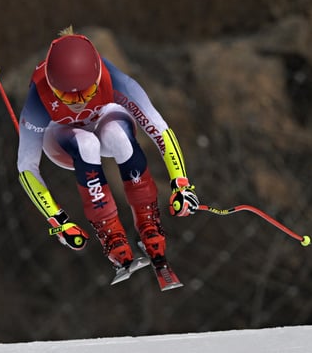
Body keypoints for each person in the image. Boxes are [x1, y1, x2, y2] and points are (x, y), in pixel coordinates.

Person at [17, 26, 199, 271]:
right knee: (86, 144)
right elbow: (26, 166)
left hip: (104, 119)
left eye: (87, 92)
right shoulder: (39, 98)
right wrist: (59, 220)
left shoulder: (114, 80)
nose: (79, 104)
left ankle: (148, 221)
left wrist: (180, 182)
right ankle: (111, 234)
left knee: (116, 134)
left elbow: (158, 129)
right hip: (61, 136)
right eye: (68, 98)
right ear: (53, 87)